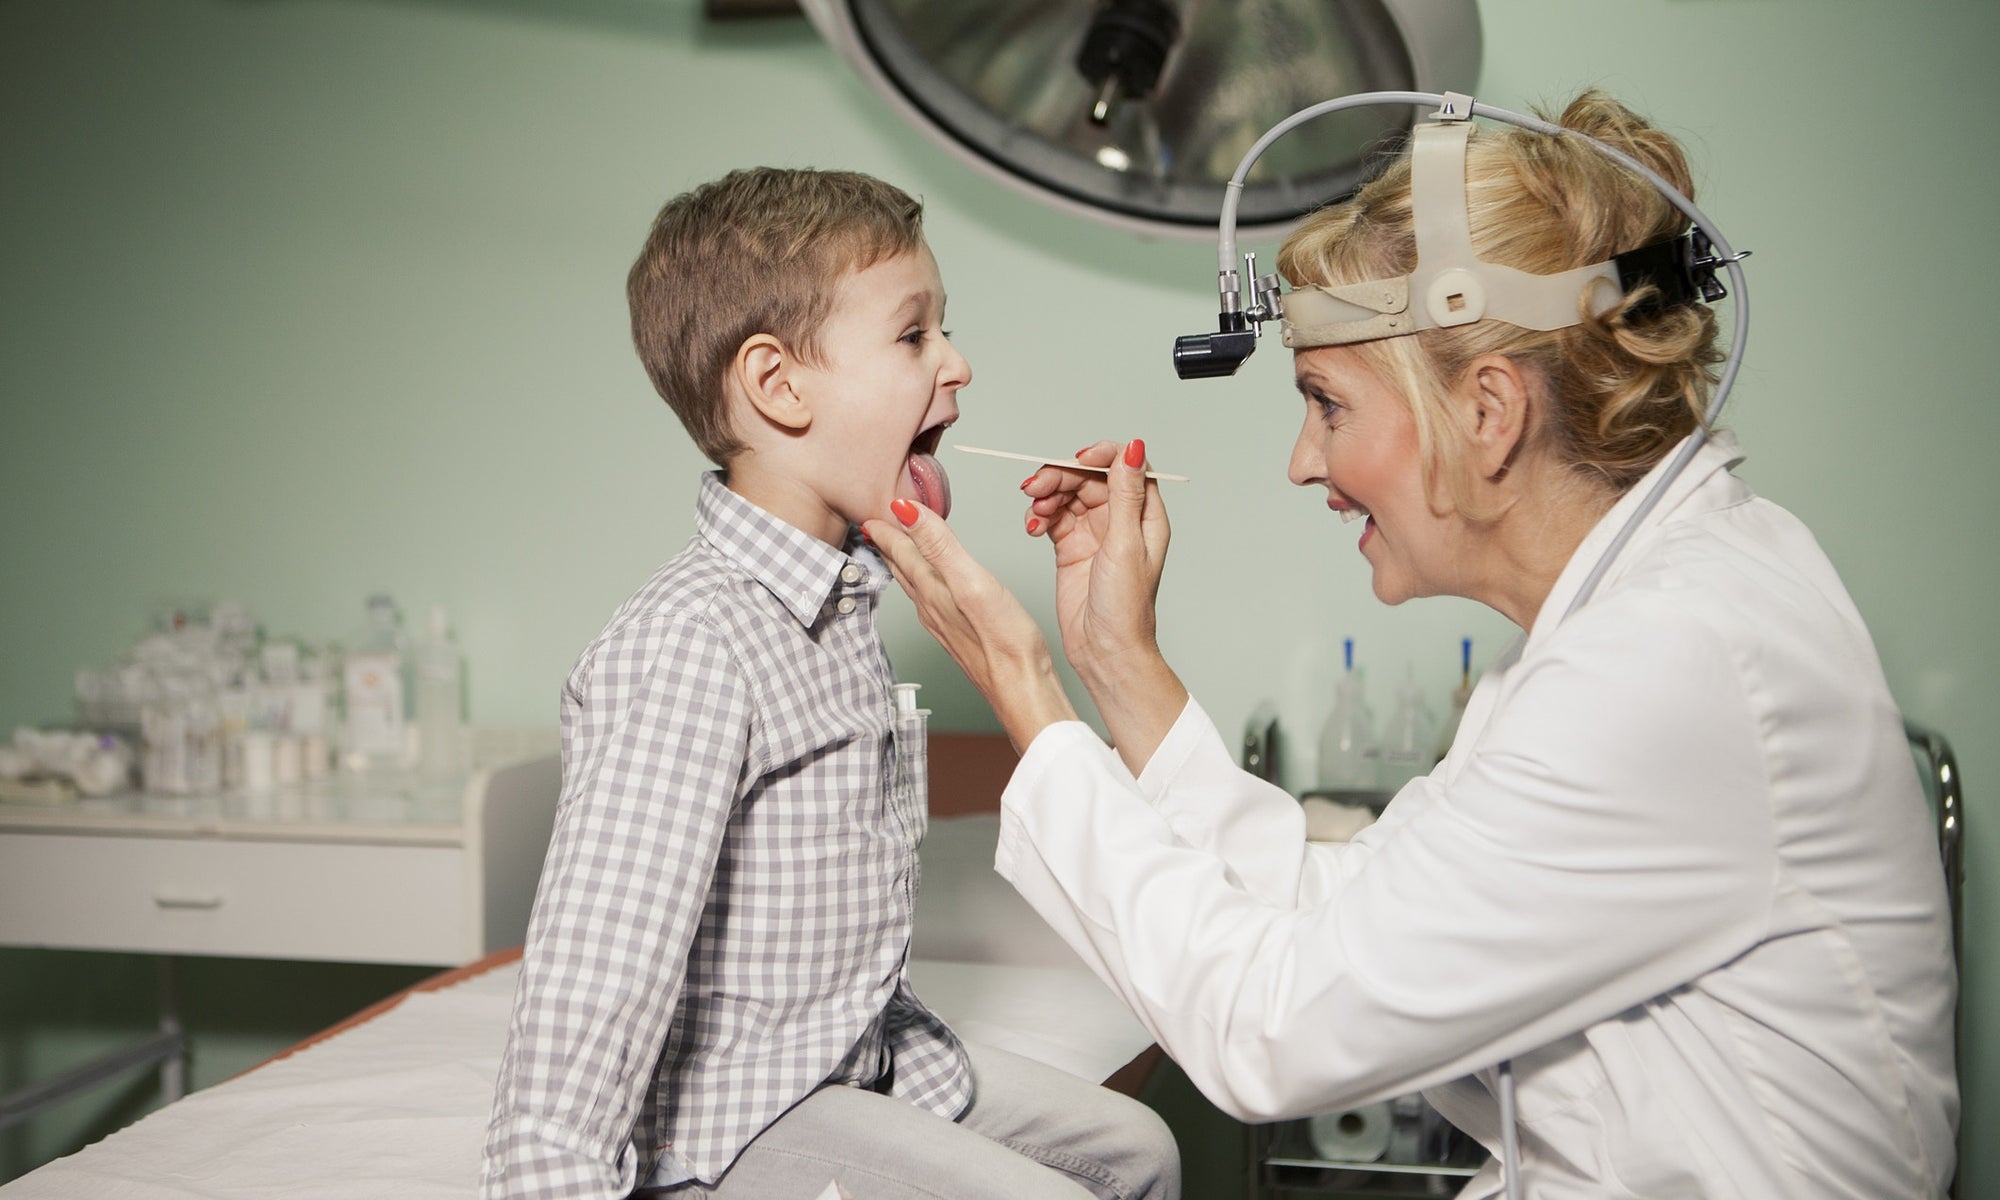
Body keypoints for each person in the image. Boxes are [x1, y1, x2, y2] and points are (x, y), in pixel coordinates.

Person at [862, 92, 1958, 1198]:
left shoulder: (1671, 663)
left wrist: (1020, 683)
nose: (1301, 462)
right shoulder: (1647, 619)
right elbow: (1342, 919)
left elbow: (1274, 1028)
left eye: (1326, 404)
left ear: (1486, 411)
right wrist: (1116, 662)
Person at [481, 167, 1180, 1200]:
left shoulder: (842, 599)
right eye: (913, 336)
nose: (957, 365)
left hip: (856, 1062)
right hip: (740, 1113)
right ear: (777, 385)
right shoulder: (687, 645)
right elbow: (596, 984)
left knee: (1139, 1153)